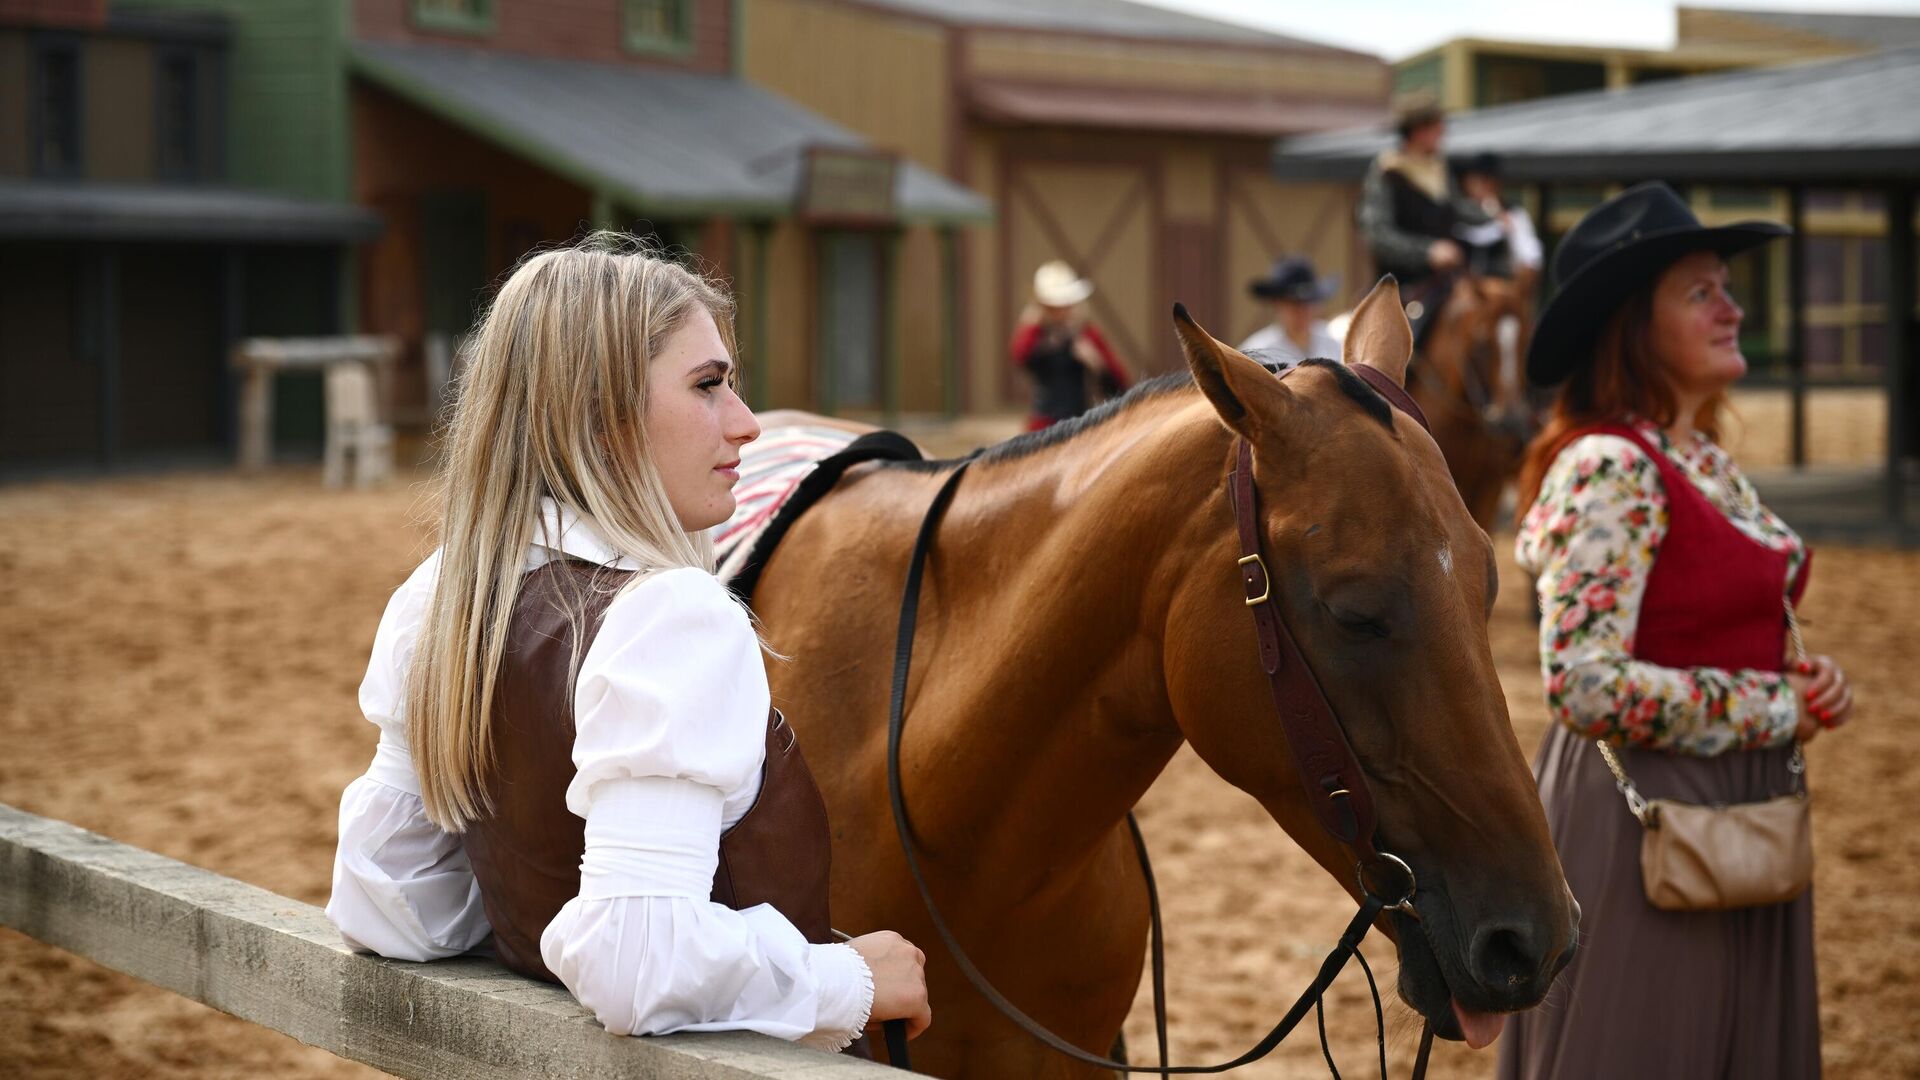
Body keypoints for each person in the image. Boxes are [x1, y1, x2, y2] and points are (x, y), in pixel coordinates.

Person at [325, 236, 931, 1054]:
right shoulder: (671, 617)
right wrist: (847, 976)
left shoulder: (445, 595)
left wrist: (534, 933)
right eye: (708, 386)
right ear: (603, 417)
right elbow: (635, 962)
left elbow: (389, 903)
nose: (748, 424)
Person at [1498, 183, 1854, 1079]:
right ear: (1632, 324)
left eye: (1726, 286)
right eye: (1701, 292)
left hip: (1738, 812)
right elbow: (1583, 682)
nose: (1733, 307)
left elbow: (1716, 622)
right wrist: (1774, 709)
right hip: (1644, 824)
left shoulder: (1701, 458)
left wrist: (1808, 682)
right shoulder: (1612, 467)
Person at [1357, 98, 1491, 301]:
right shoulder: (1387, 173)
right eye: (1436, 125)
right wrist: (1428, 251)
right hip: (1401, 288)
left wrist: (1493, 216)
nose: (1442, 132)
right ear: (1418, 131)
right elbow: (1379, 236)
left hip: (1445, 282)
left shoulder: (1438, 169)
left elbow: (1457, 208)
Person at [1010, 260, 1131, 430]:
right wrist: (1033, 321)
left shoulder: (1086, 333)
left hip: (1078, 424)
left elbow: (1119, 382)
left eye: (1065, 304)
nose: (1060, 310)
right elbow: (1020, 355)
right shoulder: (1037, 333)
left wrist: (1096, 362)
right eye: (1053, 306)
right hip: (1043, 425)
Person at [1452, 152, 1543, 282]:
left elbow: (1530, 258)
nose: (1476, 186)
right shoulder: (1457, 212)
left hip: (1499, 286)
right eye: (1472, 180)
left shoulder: (1514, 215)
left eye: (1482, 181)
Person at [1236, 256, 1341, 368]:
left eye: (1309, 303)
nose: (1303, 312)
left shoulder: (1335, 342)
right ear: (1277, 304)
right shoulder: (1258, 353)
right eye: (1295, 304)